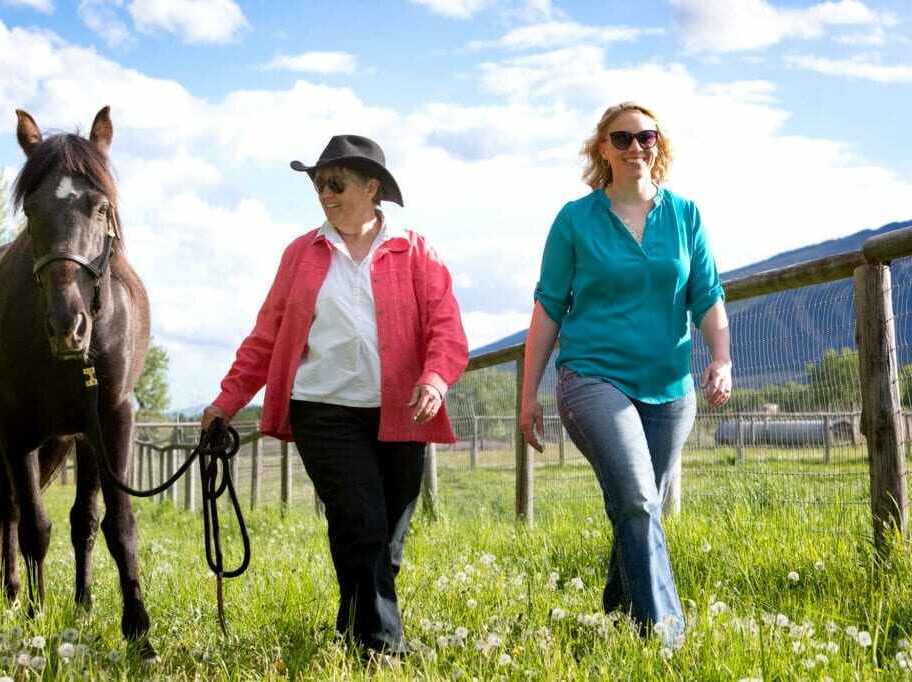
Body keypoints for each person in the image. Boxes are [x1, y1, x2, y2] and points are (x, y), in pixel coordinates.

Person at [202, 134, 468, 656]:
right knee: (362, 523)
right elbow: (266, 337)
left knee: (383, 540)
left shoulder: (415, 251)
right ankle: (382, 650)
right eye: (318, 183)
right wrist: (226, 401)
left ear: (371, 188)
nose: (324, 192)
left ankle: (351, 630)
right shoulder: (301, 254)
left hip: (401, 413)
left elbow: (448, 330)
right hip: (323, 411)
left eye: (335, 182)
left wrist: (435, 378)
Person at [520, 102, 732, 644]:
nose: (637, 147)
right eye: (623, 138)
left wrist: (722, 358)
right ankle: (666, 640)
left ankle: (616, 615)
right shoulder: (575, 219)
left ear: (659, 146)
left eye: (647, 138)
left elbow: (707, 296)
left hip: (669, 389)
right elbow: (548, 307)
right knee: (639, 499)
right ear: (603, 150)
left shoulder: (686, 215)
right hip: (592, 378)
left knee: (639, 507)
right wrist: (529, 394)